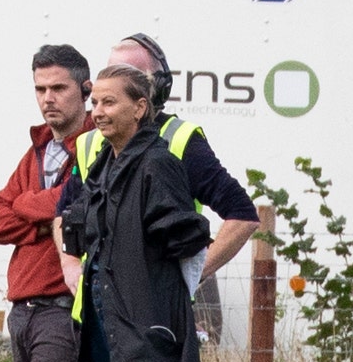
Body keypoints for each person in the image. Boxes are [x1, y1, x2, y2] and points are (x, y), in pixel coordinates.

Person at [58, 34, 259, 341]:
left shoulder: (179, 140)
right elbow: (63, 214)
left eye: (124, 76)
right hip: (94, 315)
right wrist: (70, 265)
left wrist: (193, 275)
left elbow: (242, 216)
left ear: (152, 90)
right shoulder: (89, 144)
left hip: (153, 320)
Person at [65, 64, 211, 362]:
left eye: (110, 102)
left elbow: (187, 244)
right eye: (95, 102)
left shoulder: (158, 164)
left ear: (140, 107)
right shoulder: (104, 162)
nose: (97, 111)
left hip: (143, 314)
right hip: (102, 311)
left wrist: (165, 306)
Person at [0, 44, 94, 362]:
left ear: (86, 90)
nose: (48, 98)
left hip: (63, 307)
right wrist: (45, 221)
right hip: (22, 308)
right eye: (40, 89)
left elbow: (77, 205)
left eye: (58, 88)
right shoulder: (37, 149)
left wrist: (29, 205)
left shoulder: (96, 146)